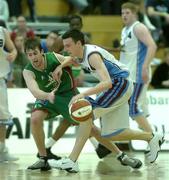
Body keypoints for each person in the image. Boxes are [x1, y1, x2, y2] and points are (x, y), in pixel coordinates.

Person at [23, 37, 143, 172]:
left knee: (90, 128)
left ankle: (121, 155)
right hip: (47, 96)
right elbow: (35, 92)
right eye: (29, 55)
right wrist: (47, 95)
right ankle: (43, 158)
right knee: (35, 119)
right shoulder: (28, 71)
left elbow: (73, 60)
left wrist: (61, 66)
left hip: (68, 94)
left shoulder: (53, 57)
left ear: (42, 52)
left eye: (35, 53)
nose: (33, 57)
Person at [53, 29, 164, 172]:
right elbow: (72, 59)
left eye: (68, 46)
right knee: (112, 133)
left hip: (119, 84)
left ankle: (72, 160)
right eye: (65, 46)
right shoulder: (79, 53)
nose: (65, 49)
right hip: (117, 87)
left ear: (79, 43)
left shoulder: (92, 55)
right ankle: (152, 137)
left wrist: (81, 95)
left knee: (85, 114)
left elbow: (107, 83)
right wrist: (60, 66)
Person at [119, 2, 157, 133]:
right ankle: (152, 140)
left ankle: (153, 139)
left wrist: (145, 67)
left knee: (133, 108)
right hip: (130, 74)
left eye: (127, 13)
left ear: (134, 14)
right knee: (141, 111)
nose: (124, 15)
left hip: (139, 74)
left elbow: (152, 46)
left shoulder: (138, 28)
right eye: (122, 13)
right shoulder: (124, 30)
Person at [0, 24, 18, 162]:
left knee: (2, 116)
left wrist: (13, 53)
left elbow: (13, 49)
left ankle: (2, 150)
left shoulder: (2, 31)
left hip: (0, 79)